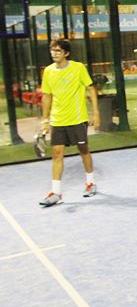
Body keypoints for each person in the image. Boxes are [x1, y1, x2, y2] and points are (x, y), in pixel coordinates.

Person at [39, 39, 101, 207]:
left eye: (58, 51)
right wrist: (45, 120)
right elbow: (46, 96)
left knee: (83, 150)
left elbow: (91, 88)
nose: (54, 53)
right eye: (52, 50)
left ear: (66, 53)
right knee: (57, 154)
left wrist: (95, 112)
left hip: (77, 118)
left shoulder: (78, 68)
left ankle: (90, 182)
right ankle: (56, 192)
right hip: (58, 120)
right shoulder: (48, 72)